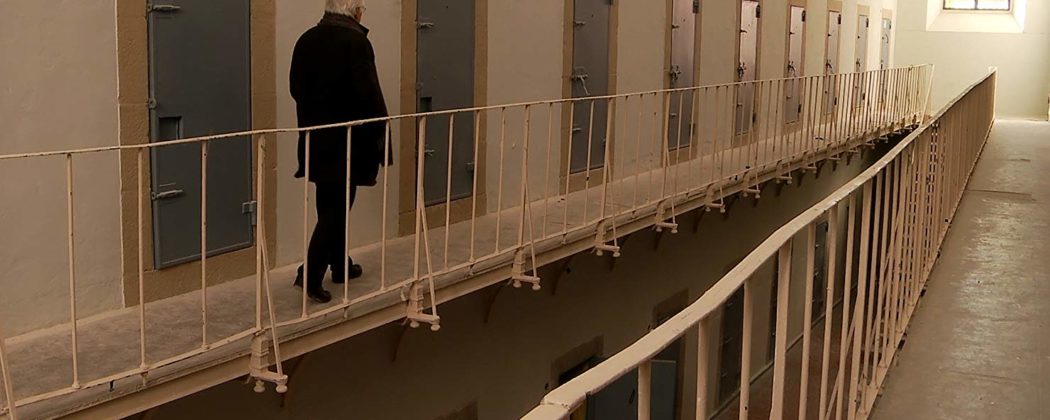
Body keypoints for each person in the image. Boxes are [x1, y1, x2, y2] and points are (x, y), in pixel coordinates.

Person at [289, 0, 389, 303]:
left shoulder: (306, 39)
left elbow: (295, 88)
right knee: (337, 209)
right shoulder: (356, 42)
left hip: (315, 138)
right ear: (355, 11)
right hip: (348, 141)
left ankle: (340, 265)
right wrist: (380, 135)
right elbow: (368, 93)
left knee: (328, 203)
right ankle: (310, 275)